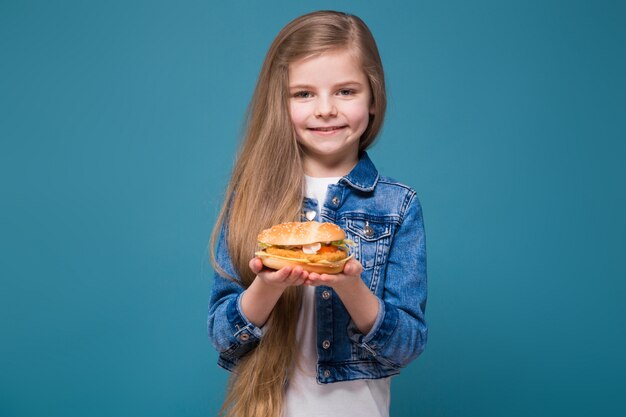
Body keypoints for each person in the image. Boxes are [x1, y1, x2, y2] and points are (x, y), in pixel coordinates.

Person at [207, 10, 427, 417]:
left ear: (373, 100)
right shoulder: (251, 198)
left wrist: (348, 285)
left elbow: (407, 344)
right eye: (303, 94)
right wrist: (269, 287)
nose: (325, 109)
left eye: (345, 91)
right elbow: (224, 338)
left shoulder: (397, 206)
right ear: (281, 102)